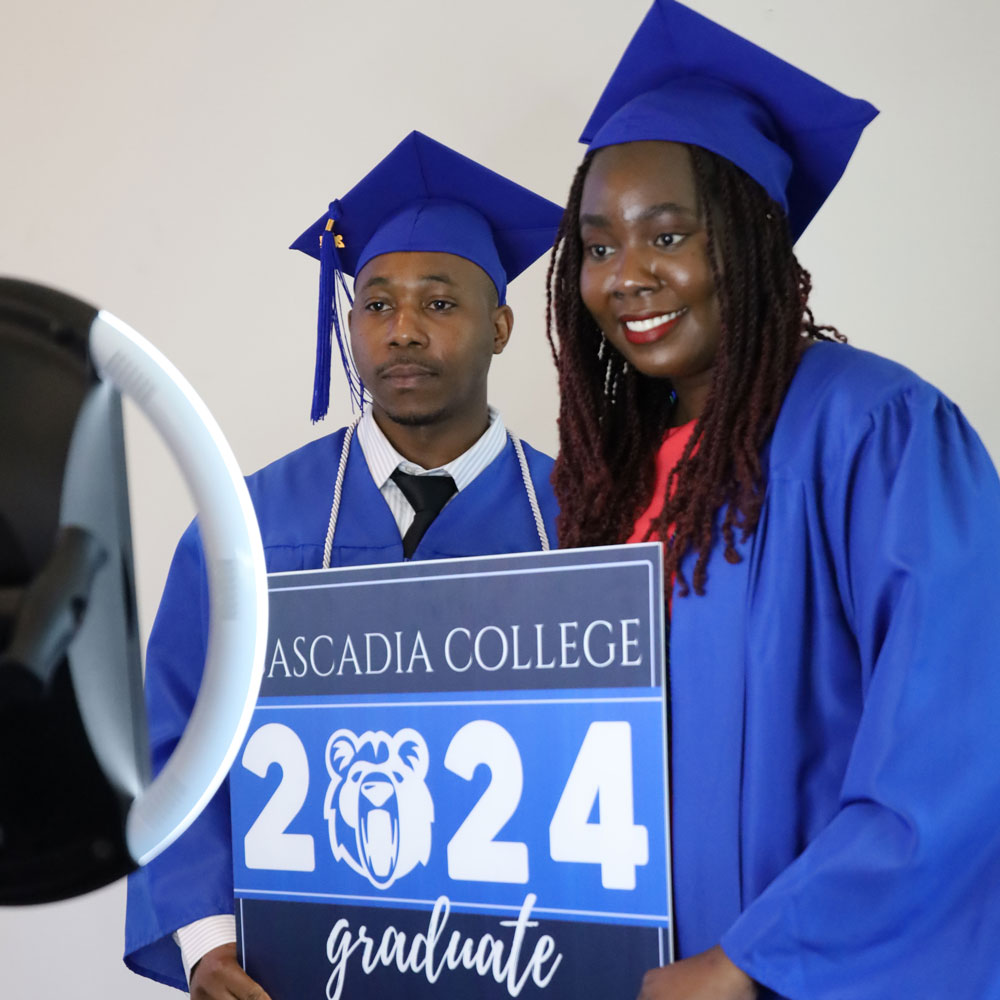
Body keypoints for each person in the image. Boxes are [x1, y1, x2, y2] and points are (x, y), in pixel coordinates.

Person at [546, 2, 1000, 998]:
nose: (627, 276)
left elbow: (959, 740)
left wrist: (753, 960)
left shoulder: (875, 431)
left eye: (668, 234)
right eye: (597, 246)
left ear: (753, 239)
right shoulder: (596, 479)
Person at [124, 130, 563, 997]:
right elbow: (175, 743)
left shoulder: (587, 520)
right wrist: (209, 941)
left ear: (500, 326)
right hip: (302, 967)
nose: (402, 331)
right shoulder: (247, 526)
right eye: (376, 303)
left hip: (531, 960)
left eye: (440, 303)